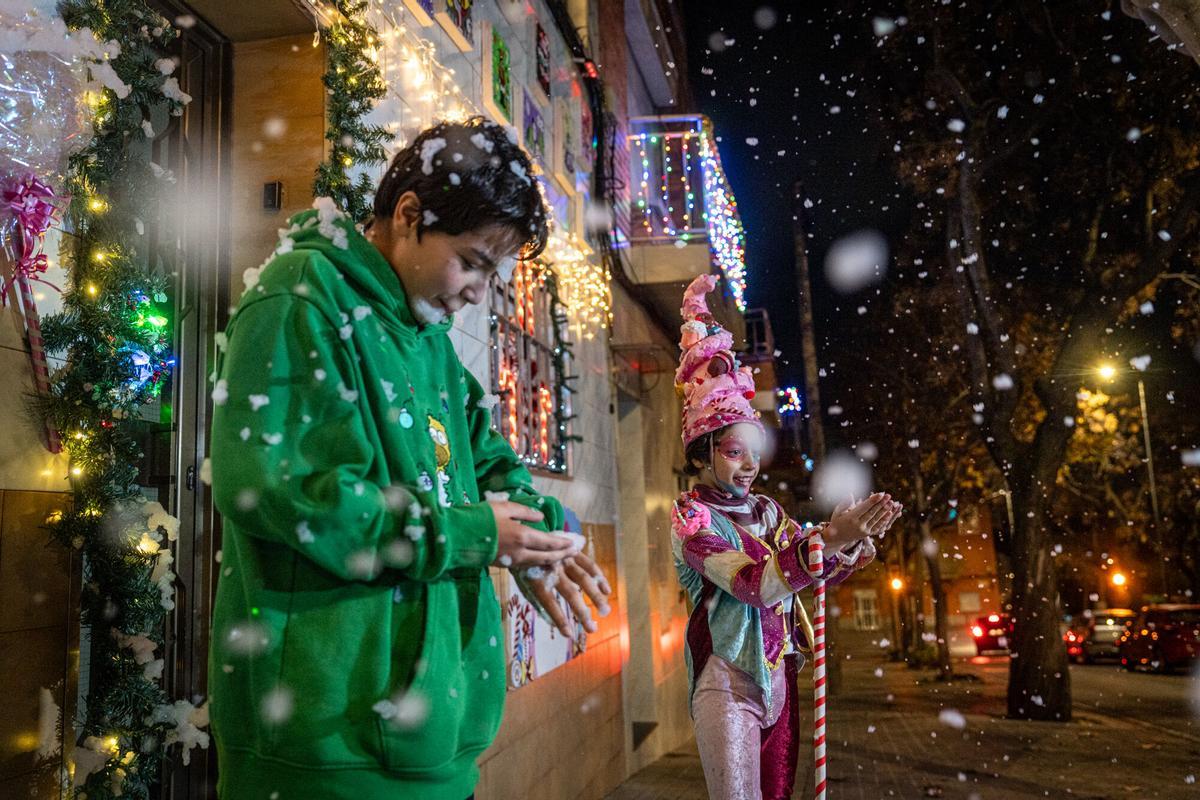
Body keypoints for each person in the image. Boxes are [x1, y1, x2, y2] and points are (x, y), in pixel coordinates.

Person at [208, 117, 610, 800]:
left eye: (496, 271)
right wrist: (472, 534)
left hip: (438, 745)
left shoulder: (429, 342)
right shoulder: (297, 299)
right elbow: (275, 490)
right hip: (325, 751)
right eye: (475, 262)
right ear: (408, 215)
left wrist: (537, 535)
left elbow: (489, 460)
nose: (481, 292)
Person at [670, 274, 901, 800]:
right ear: (703, 452)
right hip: (727, 685)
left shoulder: (769, 512)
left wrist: (848, 542)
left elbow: (810, 572)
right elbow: (757, 584)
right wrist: (831, 536)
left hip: (780, 681)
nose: (749, 465)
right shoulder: (693, 521)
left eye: (754, 451)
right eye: (733, 452)